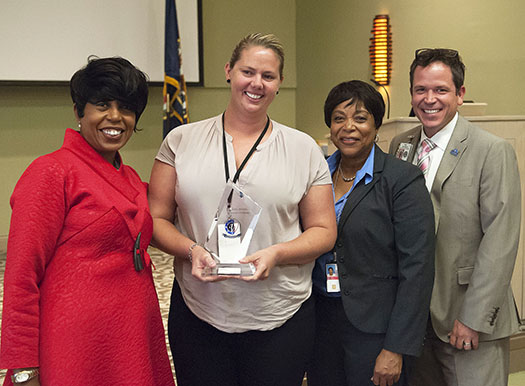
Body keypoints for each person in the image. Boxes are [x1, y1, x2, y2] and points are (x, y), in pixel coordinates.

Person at [148, 33, 337, 386]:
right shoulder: (181, 141)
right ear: (229, 72)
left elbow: (324, 231)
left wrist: (277, 254)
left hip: (280, 314)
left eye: (268, 76)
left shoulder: (304, 149)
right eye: (247, 71)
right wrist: (191, 252)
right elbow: (155, 219)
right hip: (198, 312)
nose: (257, 83)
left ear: (280, 84)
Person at [0, 57, 175, 386]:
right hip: (73, 346)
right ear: (79, 112)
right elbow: (21, 277)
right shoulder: (51, 172)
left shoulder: (131, 177)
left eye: (125, 107)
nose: (115, 116)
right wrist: (24, 369)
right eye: (101, 104)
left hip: (133, 338)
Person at [389, 48, 521, 386]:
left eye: (440, 90)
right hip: (417, 324)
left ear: (460, 94)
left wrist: (474, 318)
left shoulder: (491, 150)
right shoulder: (401, 146)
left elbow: (500, 241)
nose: (429, 99)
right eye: (421, 90)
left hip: (467, 319)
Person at [308, 80, 435, 386]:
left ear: (377, 126)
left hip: (375, 329)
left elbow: (417, 269)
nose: (348, 127)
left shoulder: (402, 180)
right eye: (339, 118)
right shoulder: (316, 175)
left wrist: (396, 347)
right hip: (320, 320)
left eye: (360, 118)